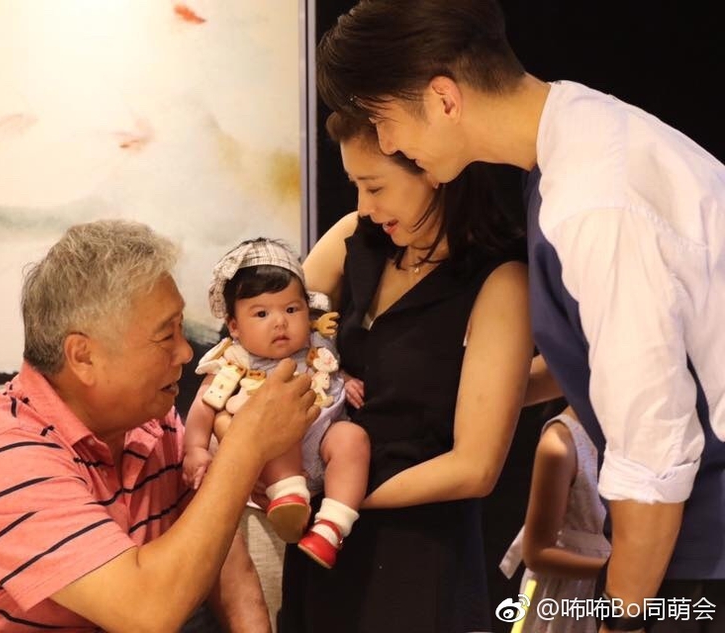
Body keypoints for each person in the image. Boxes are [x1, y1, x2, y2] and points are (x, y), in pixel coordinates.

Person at [316, 2, 725, 631]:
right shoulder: (575, 142)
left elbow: (653, 454)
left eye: (384, 121)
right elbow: (612, 363)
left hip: (702, 548)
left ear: (444, 99)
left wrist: (621, 619)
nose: (388, 143)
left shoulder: (594, 202)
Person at [0, 220, 319, 632]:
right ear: (83, 356)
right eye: (166, 336)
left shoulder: (151, 422)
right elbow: (147, 613)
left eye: (181, 329)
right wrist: (245, 448)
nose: (185, 352)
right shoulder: (5, 454)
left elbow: (218, 552)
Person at [279, 111, 532, 632]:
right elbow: (268, 335)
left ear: (433, 167)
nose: (363, 207)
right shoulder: (357, 237)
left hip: (414, 553)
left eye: (375, 187)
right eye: (355, 186)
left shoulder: (497, 280)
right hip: (323, 541)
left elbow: (475, 467)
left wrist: (341, 497)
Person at [184, 237, 370, 569]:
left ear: (307, 310)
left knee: (353, 438)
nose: (280, 321)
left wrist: (346, 379)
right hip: (275, 469)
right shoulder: (234, 361)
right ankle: (288, 497)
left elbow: (331, 370)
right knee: (278, 424)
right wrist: (196, 448)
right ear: (235, 326)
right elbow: (204, 405)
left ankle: (332, 526)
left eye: (291, 309)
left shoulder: (317, 346)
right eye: (261, 313)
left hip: (323, 447)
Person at [500, 405, 611, 633]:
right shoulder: (562, 442)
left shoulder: (631, 429)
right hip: (571, 596)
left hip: (624, 587)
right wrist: (617, 569)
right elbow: (537, 554)